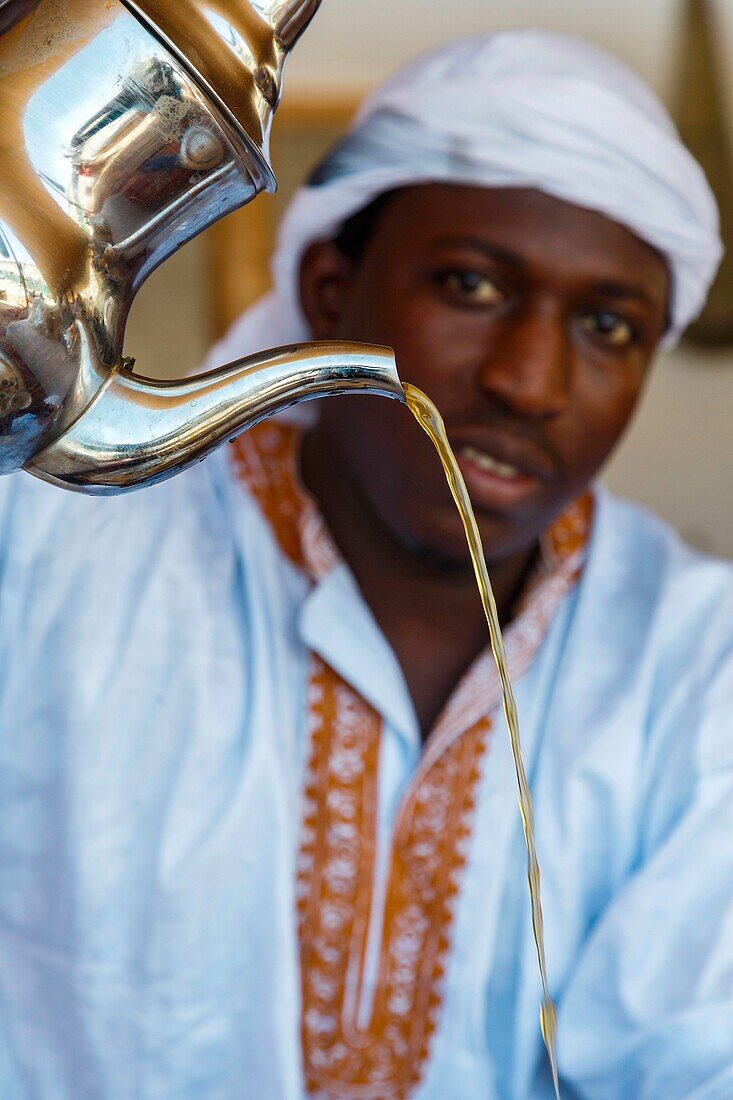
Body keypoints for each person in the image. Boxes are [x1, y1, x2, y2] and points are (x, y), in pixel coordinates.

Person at [0, 28, 731, 1100]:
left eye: (609, 325)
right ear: (330, 291)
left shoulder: (694, 657)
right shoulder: (52, 539)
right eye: (472, 284)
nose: (529, 382)